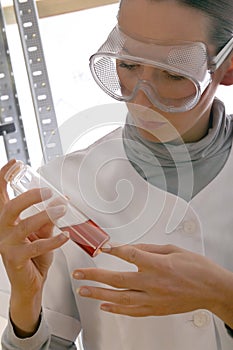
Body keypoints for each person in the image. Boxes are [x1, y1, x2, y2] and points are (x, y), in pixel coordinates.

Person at [1, 0, 233, 349]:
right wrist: (25, 308)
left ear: (228, 68)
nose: (141, 97)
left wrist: (222, 296)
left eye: (173, 74)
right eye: (127, 64)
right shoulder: (63, 191)